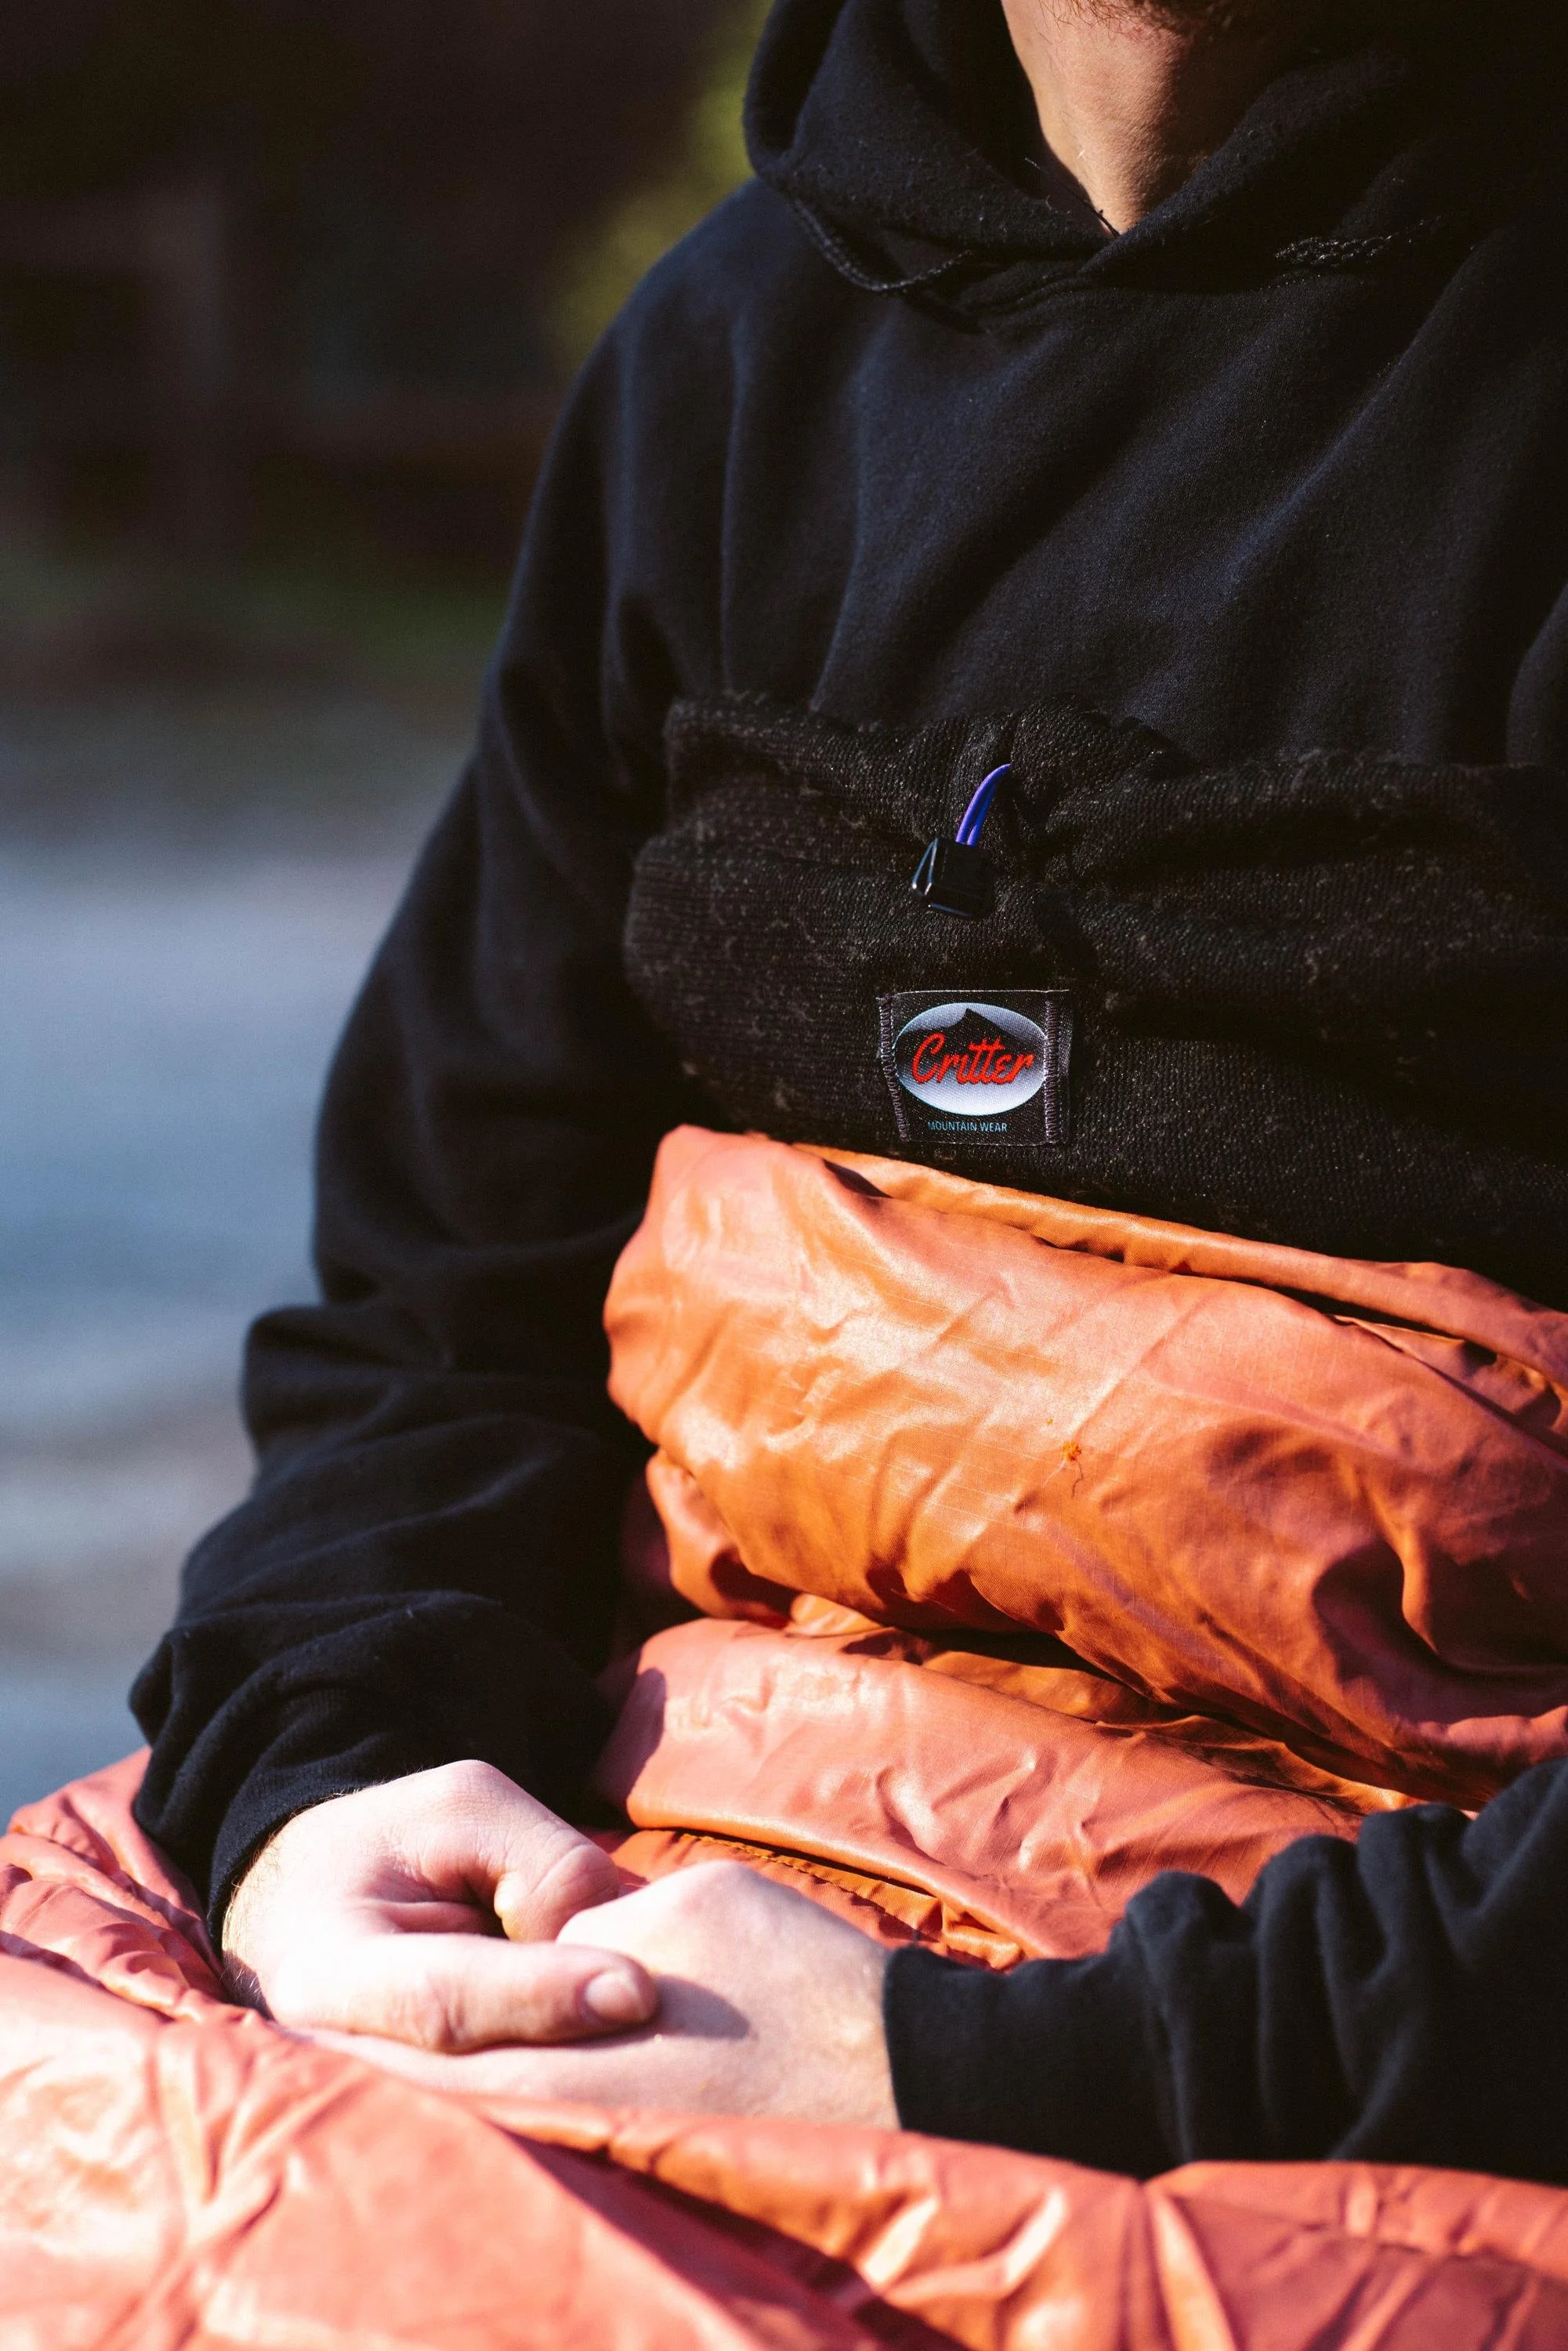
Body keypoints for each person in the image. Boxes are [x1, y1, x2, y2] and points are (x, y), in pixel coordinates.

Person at [132, 0, 1568, 2179]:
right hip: (654, 1915)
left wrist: (993, 2076)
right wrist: (332, 1785)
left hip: (1336, 2067)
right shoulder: (725, 366)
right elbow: (440, 1313)